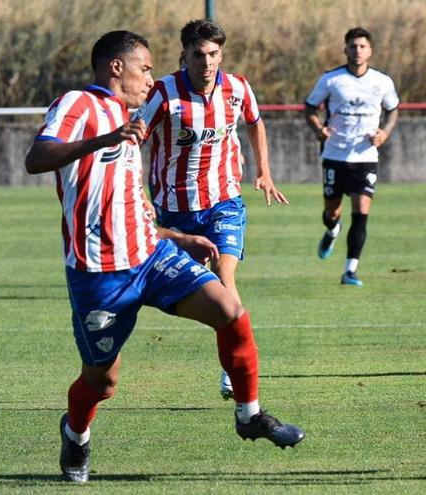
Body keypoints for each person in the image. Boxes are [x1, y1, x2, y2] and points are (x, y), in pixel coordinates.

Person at [25, 30, 304, 483]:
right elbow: (37, 158)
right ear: (117, 67)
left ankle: (248, 413)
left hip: (151, 256)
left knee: (231, 311)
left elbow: (129, 200)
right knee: (102, 382)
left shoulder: (129, 116)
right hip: (100, 273)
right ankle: (75, 435)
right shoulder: (80, 104)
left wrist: (173, 234)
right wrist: (106, 138)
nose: (150, 78)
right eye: (146, 68)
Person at [135, 19, 288, 401]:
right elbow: (133, 140)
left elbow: (255, 123)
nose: (207, 63)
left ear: (222, 54)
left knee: (224, 274)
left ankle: (231, 372)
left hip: (224, 201)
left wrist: (264, 171)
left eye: (214, 54)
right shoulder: (163, 93)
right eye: (199, 55)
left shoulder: (237, 88)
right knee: (180, 293)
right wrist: (134, 192)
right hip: (175, 211)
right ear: (184, 55)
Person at [304, 27, 399, 286]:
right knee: (332, 212)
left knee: (361, 210)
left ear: (370, 50)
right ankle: (332, 230)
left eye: (362, 46)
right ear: (345, 49)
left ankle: (350, 271)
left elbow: (393, 110)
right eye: (353, 46)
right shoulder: (331, 80)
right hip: (335, 154)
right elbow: (310, 107)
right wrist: (318, 129)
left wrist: (385, 133)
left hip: (365, 156)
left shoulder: (382, 81)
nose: (357, 50)